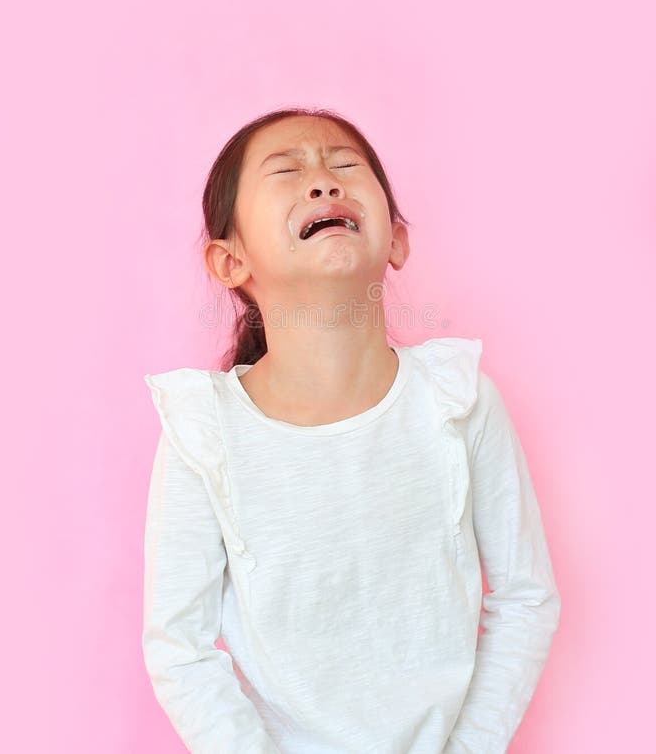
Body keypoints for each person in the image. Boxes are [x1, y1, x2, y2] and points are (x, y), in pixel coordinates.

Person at [141, 106, 561, 753]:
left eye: (344, 166)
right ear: (229, 262)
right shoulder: (205, 431)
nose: (323, 183)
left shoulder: (457, 400)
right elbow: (181, 650)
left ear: (395, 239)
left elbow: (525, 598)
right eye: (286, 171)